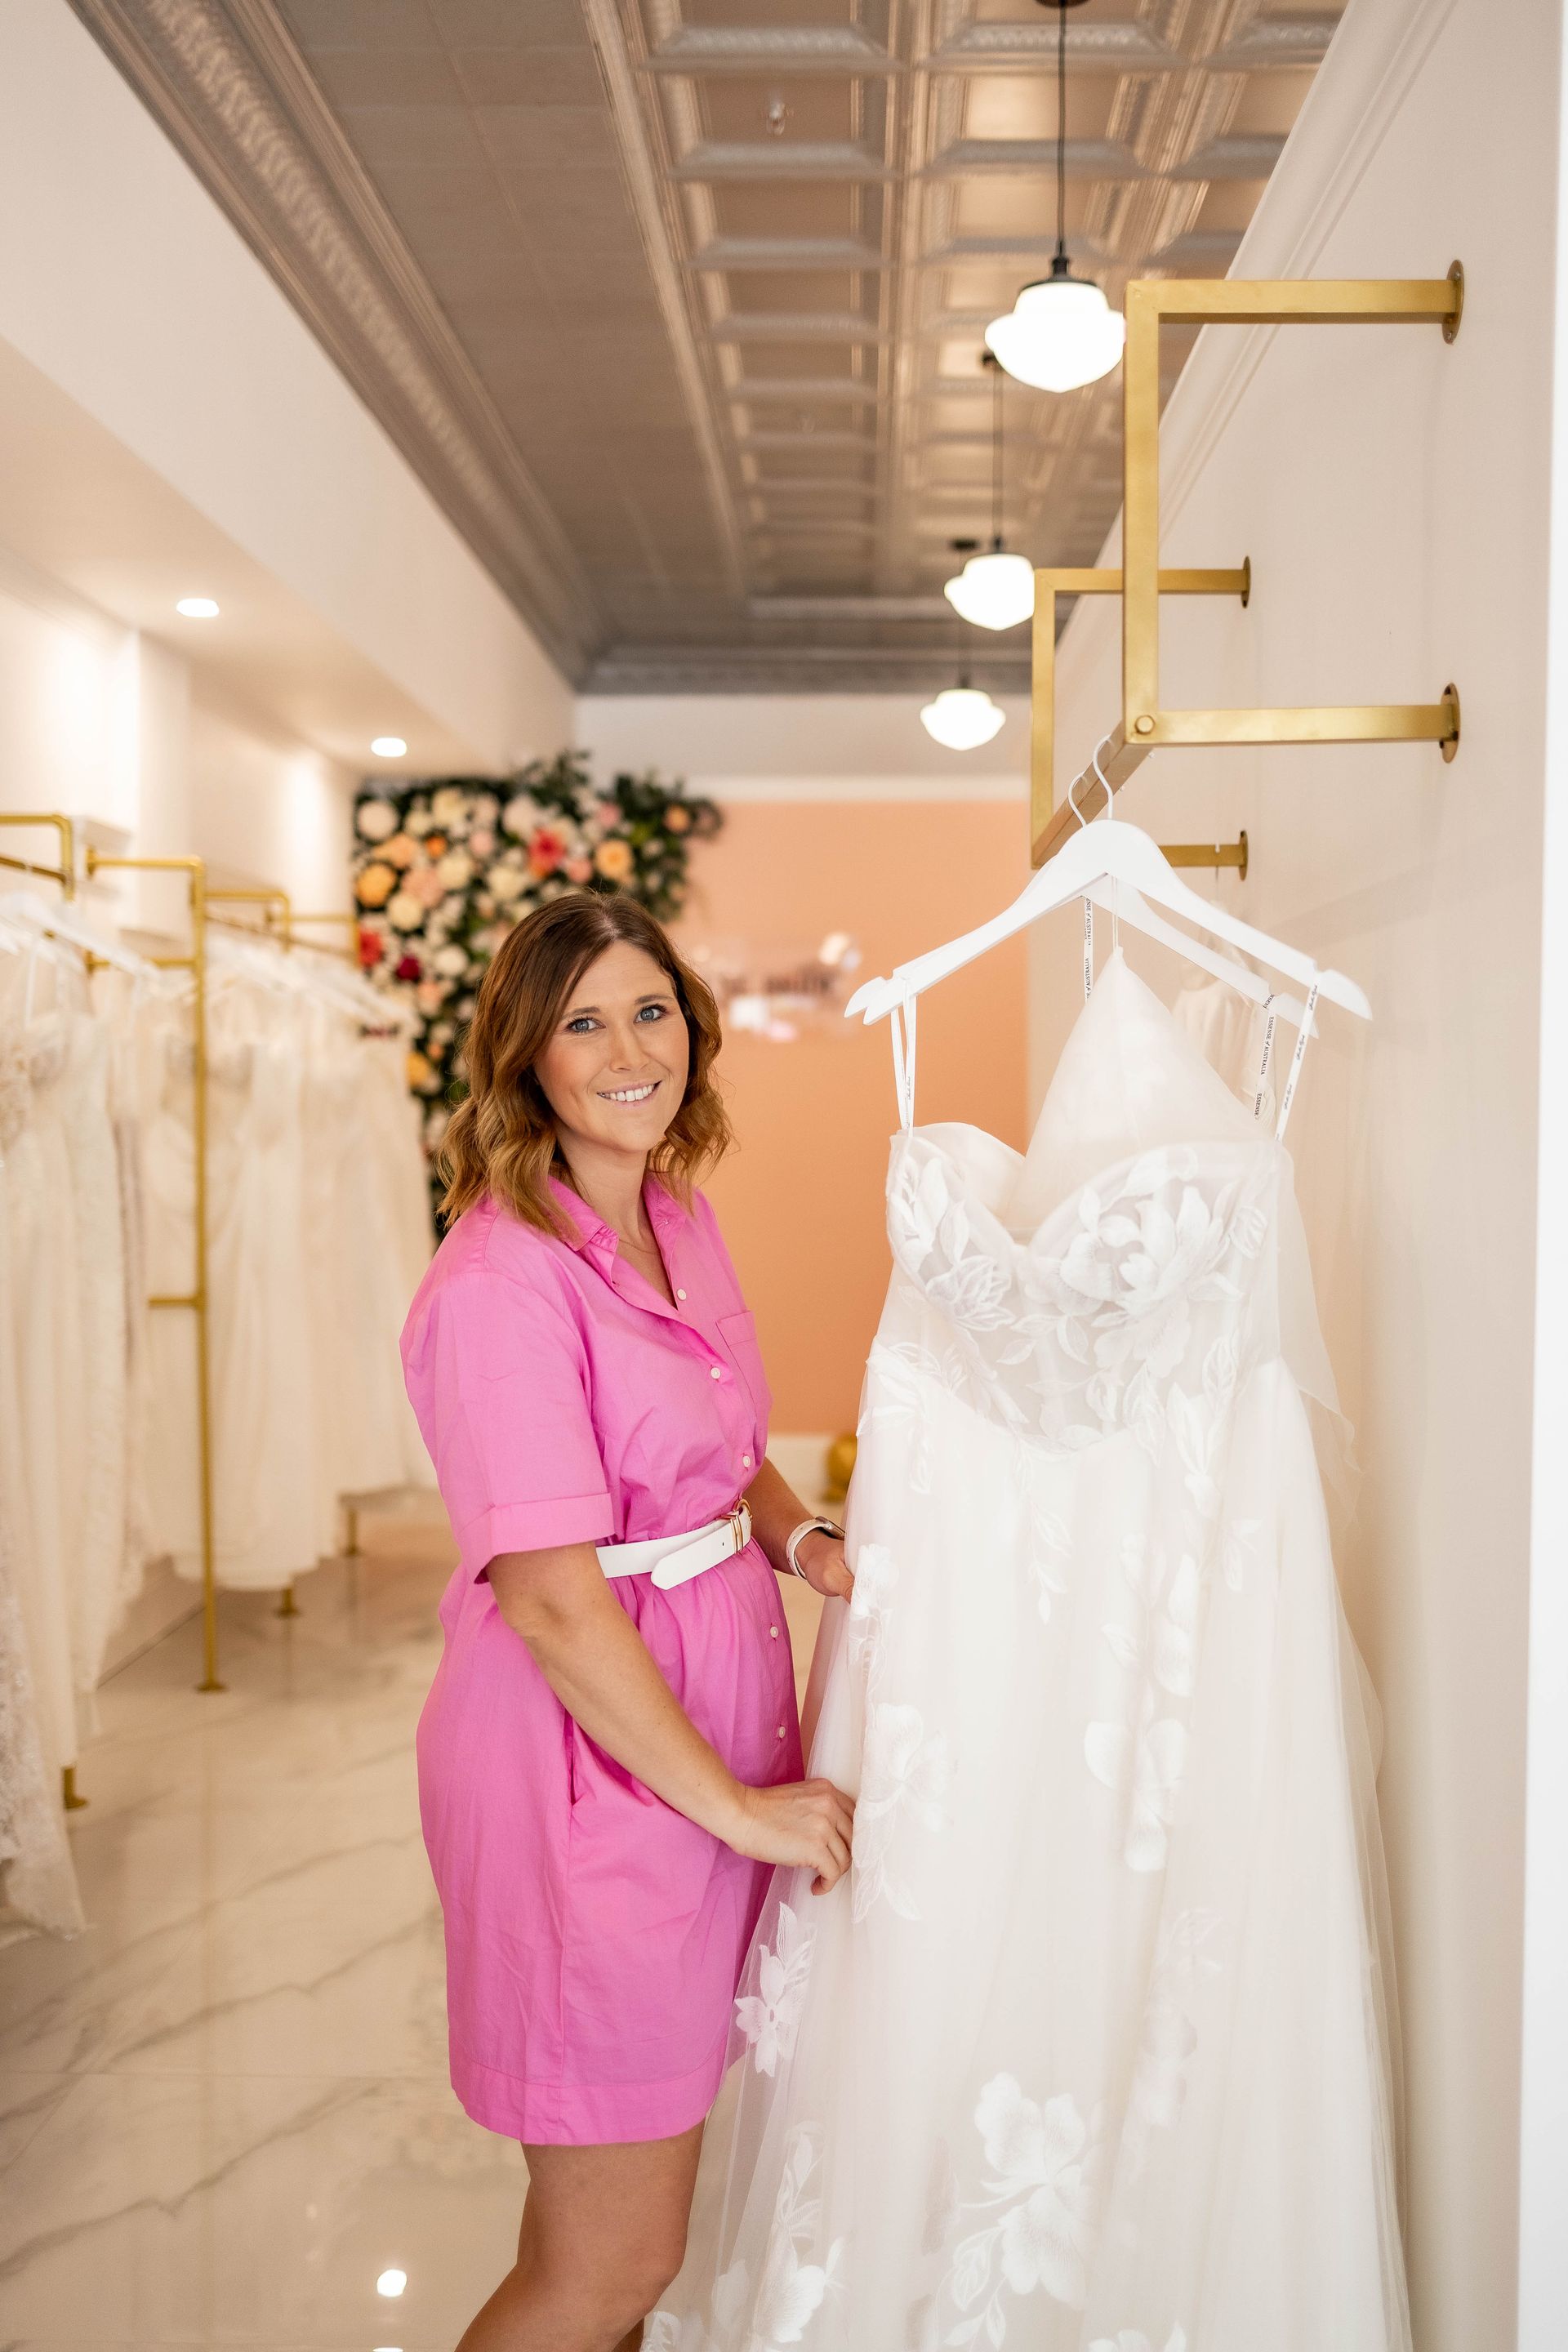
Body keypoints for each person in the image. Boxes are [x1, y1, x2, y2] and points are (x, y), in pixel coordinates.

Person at [399, 889, 857, 2352]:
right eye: (581, 1021)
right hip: (592, 1778)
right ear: (524, 1055)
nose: (625, 1048)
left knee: (630, 2230)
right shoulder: (497, 1280)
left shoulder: (676, 1214)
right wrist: (741, 1811)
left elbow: (724, 1454)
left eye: (649, 1009)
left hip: (702, 1742)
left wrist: (809, 1539)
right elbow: (546, 1594)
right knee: (608, 2265)